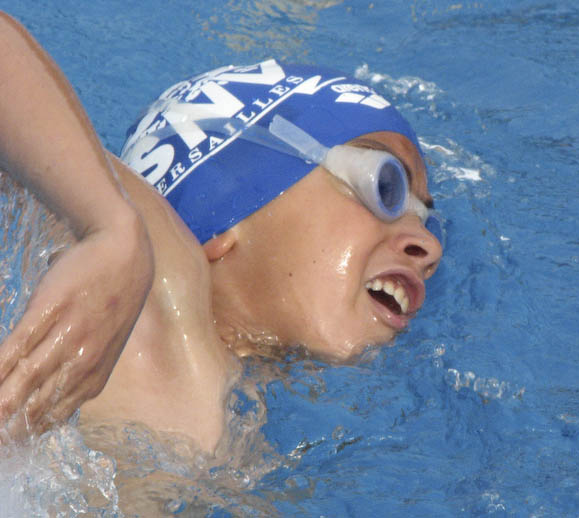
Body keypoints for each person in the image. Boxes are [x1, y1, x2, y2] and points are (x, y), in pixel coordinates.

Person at [0, 12, 442, 452]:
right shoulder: (158, 294)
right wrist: (108, 225)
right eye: (385, 186)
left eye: (425, 221)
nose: (430, 247)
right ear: (224, 211)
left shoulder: (252, 437)